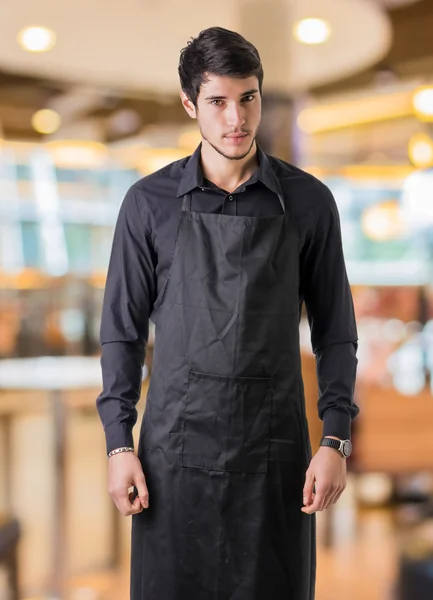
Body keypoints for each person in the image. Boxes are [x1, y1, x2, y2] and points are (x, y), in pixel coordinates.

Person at [96, 26, 359, 600]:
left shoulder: (310, 202)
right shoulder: (148, 204)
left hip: (274, 460)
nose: (236, 118)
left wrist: (335, 438)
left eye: (249, 98)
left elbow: (336, 333)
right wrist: (119, 443)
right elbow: (121, 333)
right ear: (191, 104)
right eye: (217, 101)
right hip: (173, 460)